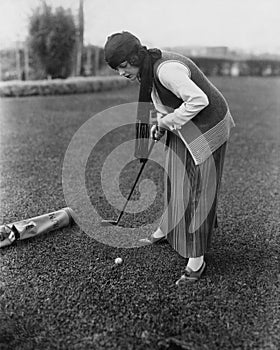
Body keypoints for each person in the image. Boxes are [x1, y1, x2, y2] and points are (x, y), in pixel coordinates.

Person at [104, 31, 235, 285]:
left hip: (208, 126)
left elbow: (199, 100)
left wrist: (166, 121)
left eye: (122, 66)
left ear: (134, 57)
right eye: (116, 69)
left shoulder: (166, 70)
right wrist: (161, 124)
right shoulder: (146, 68)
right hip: (186, 124)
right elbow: (163, 101)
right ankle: (167, 229)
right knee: (174, 176)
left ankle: (196, 260)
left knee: (198, 190)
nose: (121, 73)